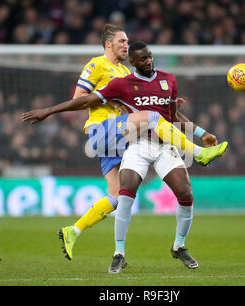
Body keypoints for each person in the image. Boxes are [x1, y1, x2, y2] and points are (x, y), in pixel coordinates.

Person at [21, 37, 228, 262]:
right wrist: (48, 111)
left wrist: (202, 133)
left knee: (121, 195)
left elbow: (174, 117)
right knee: (151, 119)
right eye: (142, 58)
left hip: (157, 144)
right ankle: (119, 251)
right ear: (132, 61)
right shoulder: (118, 79)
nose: (148, 61)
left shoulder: (168, 80)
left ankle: (74, 230)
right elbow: (83, 100)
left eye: (150, 56)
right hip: (123, 138)